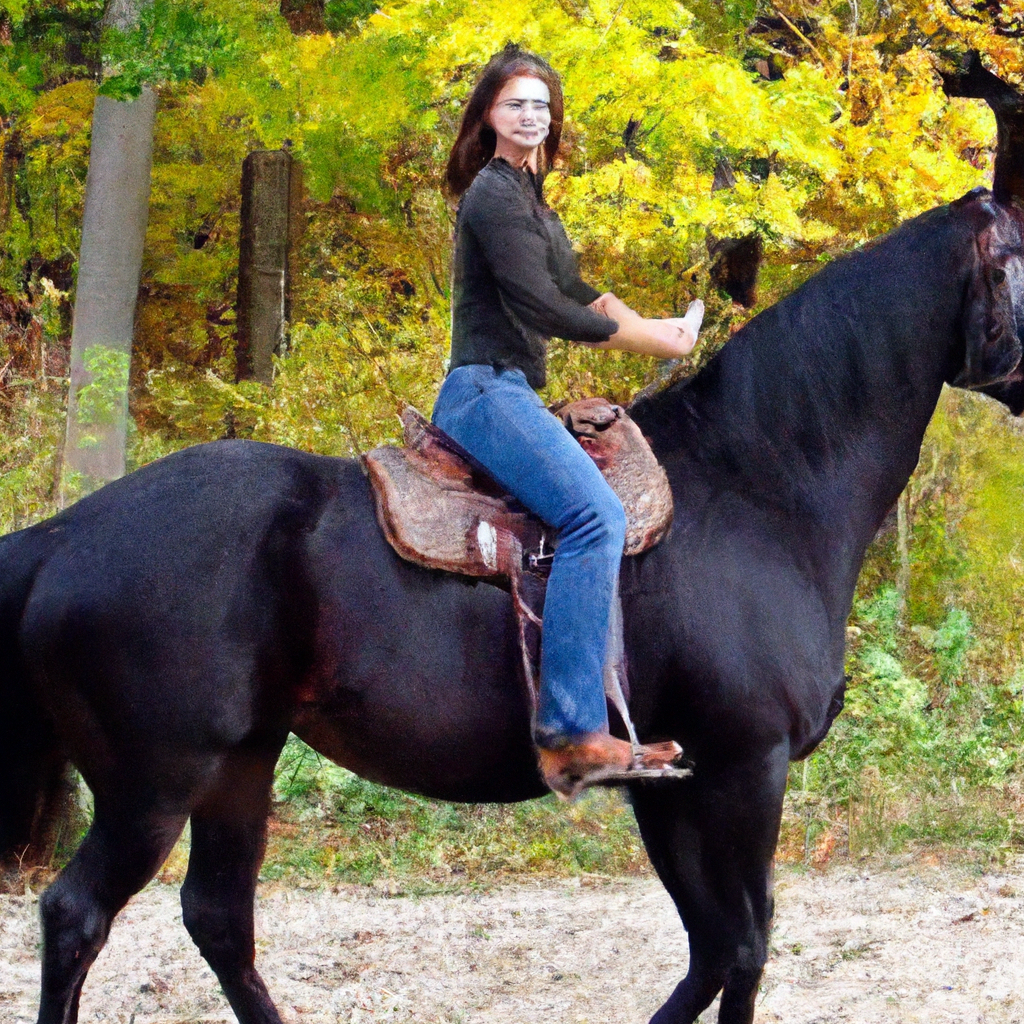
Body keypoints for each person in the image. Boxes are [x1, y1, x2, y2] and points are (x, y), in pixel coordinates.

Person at [432, 44, 704, 797]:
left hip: (510, 386)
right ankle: (572, 730)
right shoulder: (491, 196)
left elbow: (576, 287)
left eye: (542, 105)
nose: (532, 115)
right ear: (489, 114)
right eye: (517, 103)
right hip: (487, 391)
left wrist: (653, 323)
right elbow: (544, 309)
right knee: (594, 518)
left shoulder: (529, 197)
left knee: (590, 514)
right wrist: (651, 339)